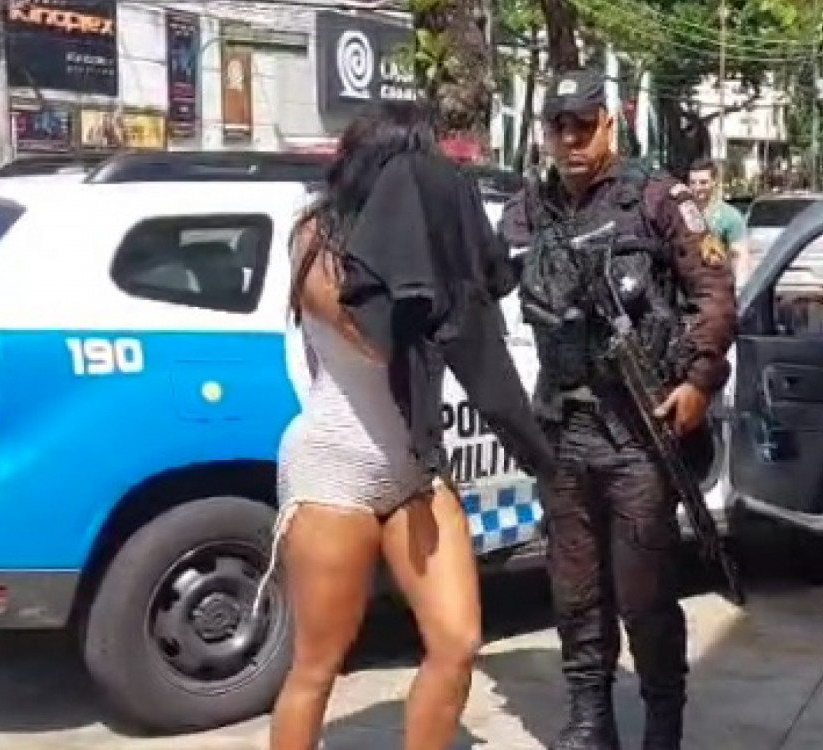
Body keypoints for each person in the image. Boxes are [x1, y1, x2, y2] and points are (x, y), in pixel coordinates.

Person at [264, 101, 556, 750]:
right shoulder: (316, 237)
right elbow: (377, 338)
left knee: (458, 642)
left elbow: (481, 306)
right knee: (318, 666)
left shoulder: (431, 237)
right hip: (335, 470)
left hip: (416, 467)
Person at [499, 68, 738, 750]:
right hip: (562, 428)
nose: (571, 139)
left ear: (609, 124)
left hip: (638, 429)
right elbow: (483, 277)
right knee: (575, 590)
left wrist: (699, 381)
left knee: (644, 593)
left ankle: (662, 723)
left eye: (584, 124)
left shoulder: (657, 198)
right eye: (559, 127)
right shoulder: (528, 209)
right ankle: (590, 720)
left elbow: (715, 294)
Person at [687, 157, 750, 281]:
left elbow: (740, 255)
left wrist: (740, 287)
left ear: (714, 182)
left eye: (703, 182)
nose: (697, 188)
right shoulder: (681, 214)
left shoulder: (730, 216)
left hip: (716, 286)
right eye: (693, 183)